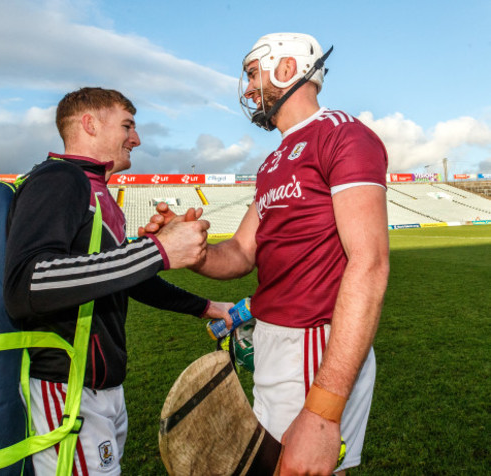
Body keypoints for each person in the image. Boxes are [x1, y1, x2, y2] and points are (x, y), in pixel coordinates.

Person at [144, 33, 389, 475]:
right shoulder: (272, 162)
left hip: (315, 341)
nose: (249, 88)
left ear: (288, 69)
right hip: (272, 340)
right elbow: (240, 252)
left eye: (254, 73)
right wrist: (193, 250)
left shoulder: (345, 136)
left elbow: (369, 264)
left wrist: (323, 411)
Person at [3, 87, 233, 475]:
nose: (137, 138)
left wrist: (207, 307)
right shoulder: (60, 179)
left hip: (100, 385)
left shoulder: (96, 191)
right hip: (68, 385)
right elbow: (28, 284)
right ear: (89, 124)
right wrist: (156, 251)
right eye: (127, 125)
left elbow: (124, 278)